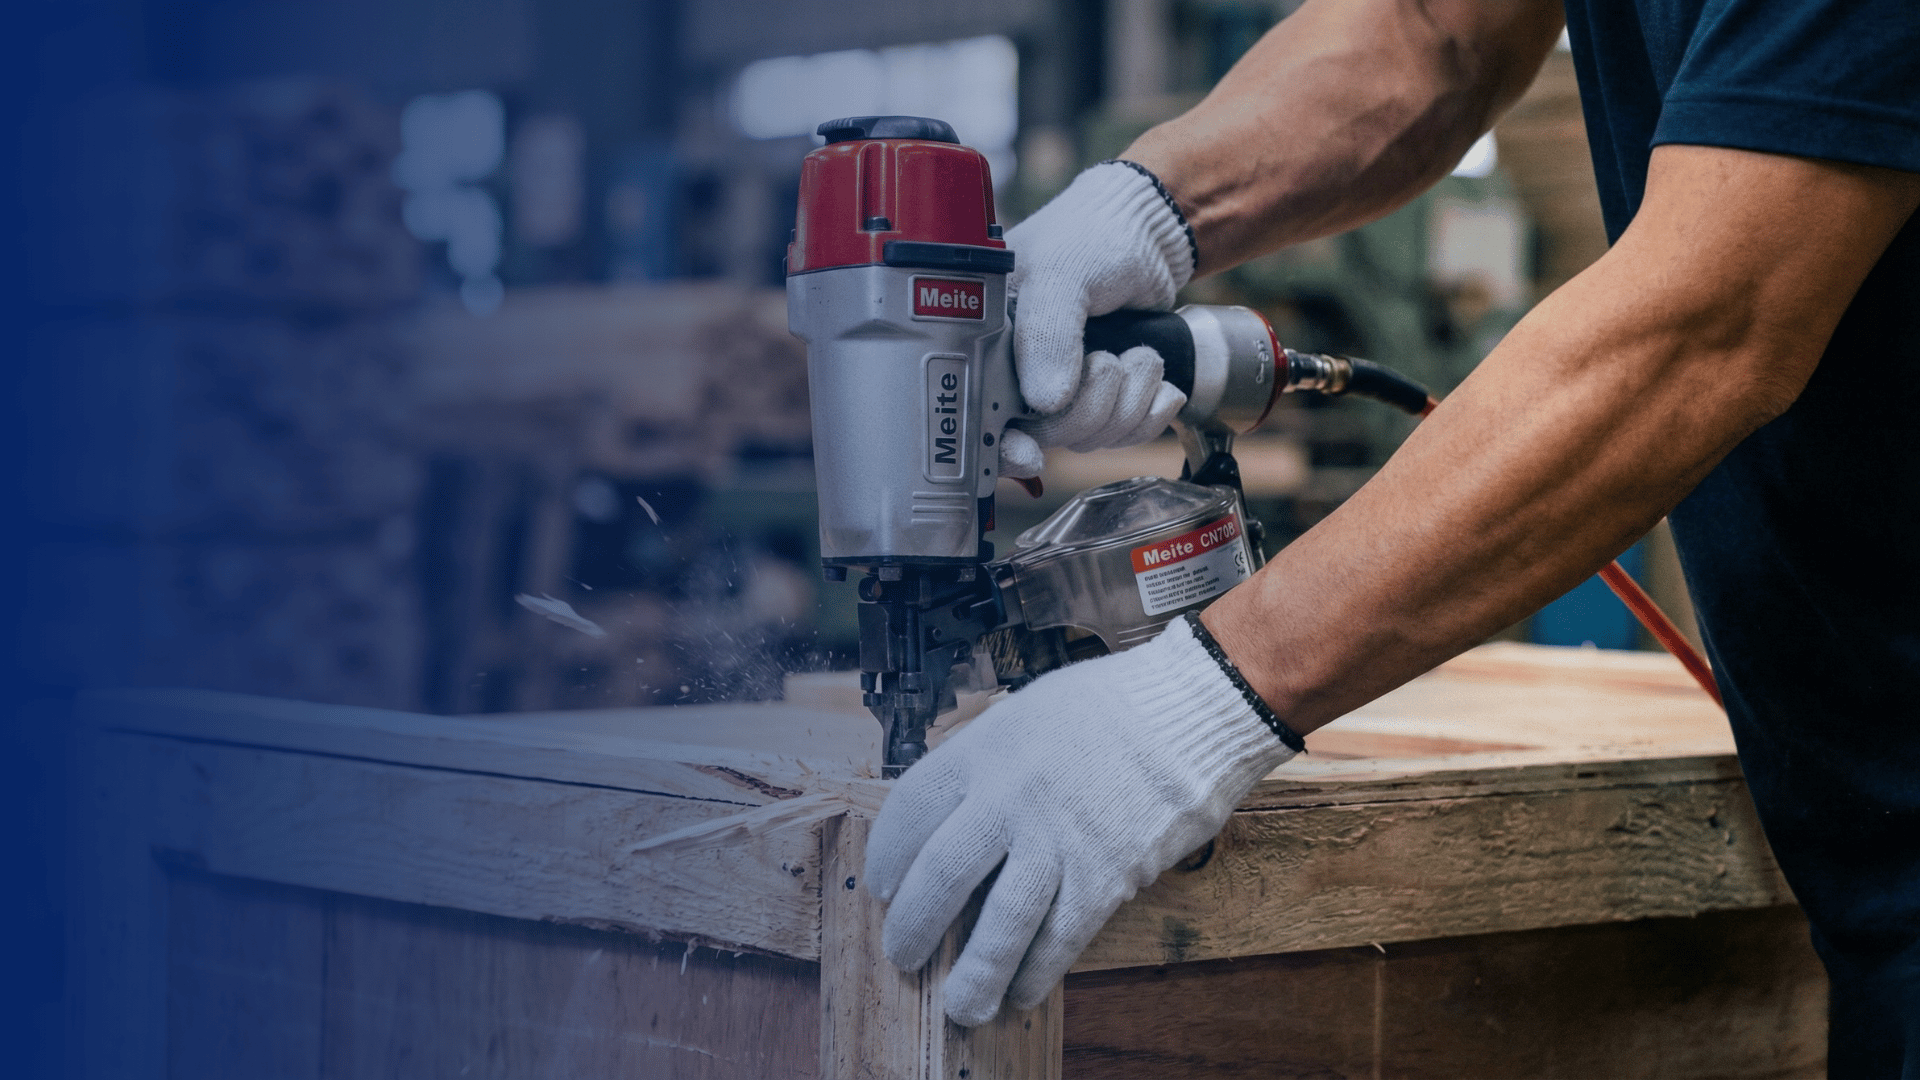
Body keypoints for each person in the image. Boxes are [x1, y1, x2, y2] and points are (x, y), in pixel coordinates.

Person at [862, 0, 1920, 1070]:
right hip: (1865, 843)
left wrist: (1195, 706)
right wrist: (1138, 209)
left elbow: (1714, 314)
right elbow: (1432, 31)